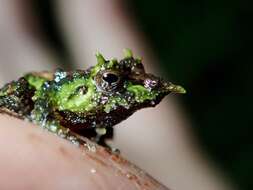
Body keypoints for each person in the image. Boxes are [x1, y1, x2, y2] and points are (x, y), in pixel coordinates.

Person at [0, 1, 234, 189]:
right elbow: (45, 94)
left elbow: (104, 121)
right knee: (20, 92)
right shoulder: (75, 95)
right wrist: (50, 125)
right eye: (111, 80)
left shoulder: (103, 112)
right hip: (34, 89)